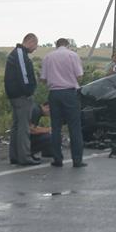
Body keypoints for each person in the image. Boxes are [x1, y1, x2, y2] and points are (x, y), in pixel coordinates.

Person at [40, 38, 86, 168]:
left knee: (56, 128)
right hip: (70, 93)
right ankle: (77, 160)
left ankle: (57, 159)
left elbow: (43, 79)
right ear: (67, 45)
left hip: (54, 94)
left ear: (56, 45)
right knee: (74, 127)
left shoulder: (48, 57)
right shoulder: (73, 55)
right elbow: (79, 76)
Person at [4, 33, 40, 166]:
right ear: (30, 42)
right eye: (35, 45)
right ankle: (24, 157)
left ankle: (15, 156)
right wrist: (29, 91)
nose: (35, 48)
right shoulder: (20, 54)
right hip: (21, 96)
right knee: (23, 127)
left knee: (17, 126)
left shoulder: (17, 53)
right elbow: (24, 75)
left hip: (16, 95)